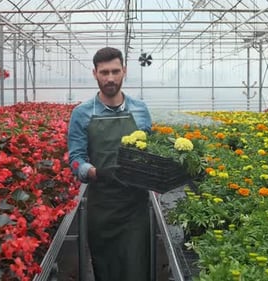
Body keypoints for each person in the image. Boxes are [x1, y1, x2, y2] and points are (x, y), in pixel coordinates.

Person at [67, 47, 152, 281]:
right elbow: (75, 160)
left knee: (136, 269)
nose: (111, 78)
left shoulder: (140, 110)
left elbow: (151, 152)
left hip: (135, 206)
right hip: (102, 207)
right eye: (104, 72)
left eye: (115, 71)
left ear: (124, 71)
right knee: (106, 271)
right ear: (95, 73)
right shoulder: (82, 114)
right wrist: (96, 172)